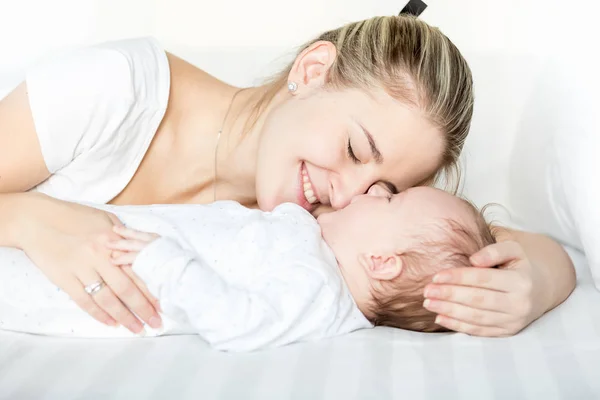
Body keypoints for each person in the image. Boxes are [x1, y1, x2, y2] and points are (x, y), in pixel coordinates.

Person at [0, 15, 575, 337]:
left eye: (384, 192)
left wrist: (537, 288)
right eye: (356, 147)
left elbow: (490, 245)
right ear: (314, 69)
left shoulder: (311, 230)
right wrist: (28, 217)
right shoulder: (113, 91)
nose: (347, 194)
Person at [1, 187, 497, 351]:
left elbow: (239, 323)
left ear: (382, 263)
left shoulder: (319, 289)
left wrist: (165, 263)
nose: (372, 191)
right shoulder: (314, 243)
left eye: (390, 199)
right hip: (82, 237)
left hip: (88, 282)